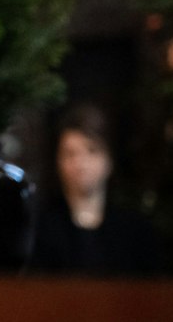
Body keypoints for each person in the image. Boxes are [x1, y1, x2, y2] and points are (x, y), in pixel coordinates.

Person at [30, 104, 158, 276]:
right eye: (70, 153)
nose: (80, 164)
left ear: (109, 159)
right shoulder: (42, 226)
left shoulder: (135, 230)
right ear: (57, 161)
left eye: (92, 151)